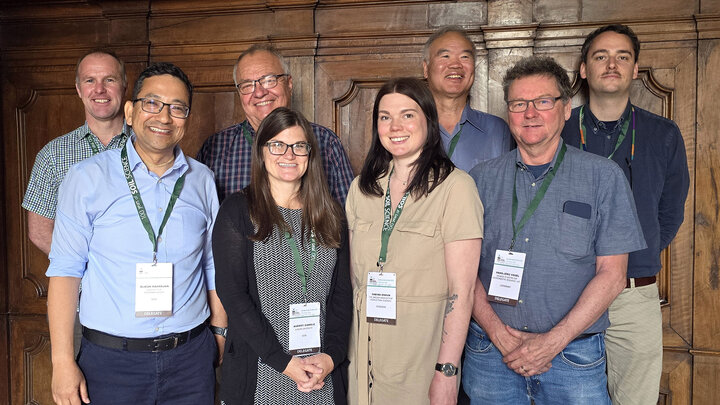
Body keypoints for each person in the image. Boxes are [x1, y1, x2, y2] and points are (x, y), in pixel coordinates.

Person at [463, 56, 646, 404]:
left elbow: (612, 275)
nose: (530, 113)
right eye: (519, 104)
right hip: (490, 354)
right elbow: (463, 270)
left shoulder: (603, 177)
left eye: (543, 102)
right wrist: (499, 334)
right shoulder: (480, 180)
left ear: (565, 109)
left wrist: (552, 342)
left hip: (572, 358)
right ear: (509, 112)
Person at [46, 62, 226, 405]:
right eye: (152, 103)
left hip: (190, 358)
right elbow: (66, 272)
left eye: (178, 108)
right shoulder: (87, 178)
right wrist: (62, 362)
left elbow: (212, 264)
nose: (164, 117)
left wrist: (218, 332)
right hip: (111, 362)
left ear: (186, 118)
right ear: (130, 112)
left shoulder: (201, 180)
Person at [561, 24, 689, 404]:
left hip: (634, 296)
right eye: (600, 56)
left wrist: (638, 253)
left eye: (622, 56)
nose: (611, 64)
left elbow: (670, 212)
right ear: (584, 69)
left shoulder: (664, 134)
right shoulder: (559, 129)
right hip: (567, 291)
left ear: (636, 69)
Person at [346, 77, 483, 405]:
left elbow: (461, 292)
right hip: (360, 356)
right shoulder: (361, 189)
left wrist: (446, 371)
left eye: (407, 115)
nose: (395, 126)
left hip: (418, 360)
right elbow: (351, 280)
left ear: (428, 121)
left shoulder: (456, 188)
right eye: (384, 116)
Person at [213, 107, 352, 404]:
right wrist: (283, 362)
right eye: (277, 145)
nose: (288, 155)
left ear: (310, 154)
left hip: (320, 375)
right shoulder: (238, 210)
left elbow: (342, 296)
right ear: (262, 152)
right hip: (261, 371)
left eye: (299, 146)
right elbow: (233, 294)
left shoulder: (331, 214)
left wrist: (331, 357)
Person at [197, 44, 354, 204]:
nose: (259, 92)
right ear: (239, 93)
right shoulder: (214, 149)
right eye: (247, 85)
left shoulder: (326, 143)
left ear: (289, 83)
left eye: (269, 80)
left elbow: (348, 221)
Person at [23, 48, 130, 255]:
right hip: (81, 284)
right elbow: (39, 231)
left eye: (109, 80)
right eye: (90, 80)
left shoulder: (148, 148)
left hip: (137, 280)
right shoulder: (52, 155)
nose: (99, 89)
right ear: (79, 89)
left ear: (124, 86)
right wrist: (85, 271)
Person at [423, 26, 513, 172]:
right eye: (445, 56)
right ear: (426, 69)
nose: (455, 65)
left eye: (464, 57)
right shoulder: (407, 127)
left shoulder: (497, 130)